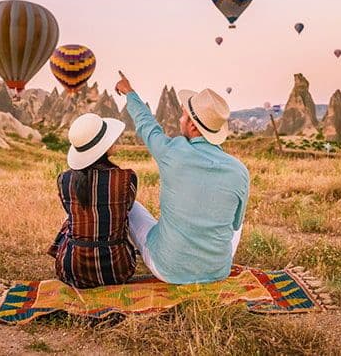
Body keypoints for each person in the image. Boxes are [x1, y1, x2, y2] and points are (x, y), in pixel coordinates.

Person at [115, 72, 250, 284]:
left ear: (193, 126)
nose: (180, 118)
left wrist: (129, 92)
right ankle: (208, 261)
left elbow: (147, 125)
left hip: (168, 270)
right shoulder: (240, 170)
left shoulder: (173, 152)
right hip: (217, 271)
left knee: (131, 207)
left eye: (183, 114)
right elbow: (234, 224)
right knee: (237, 221)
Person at [47, 113, 138, 288]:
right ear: (104, 146)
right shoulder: (127, 178)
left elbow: (69, 211)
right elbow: (127, 210)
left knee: (72, 220)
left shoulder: (63, 180)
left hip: (72, 270)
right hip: (117, 270)